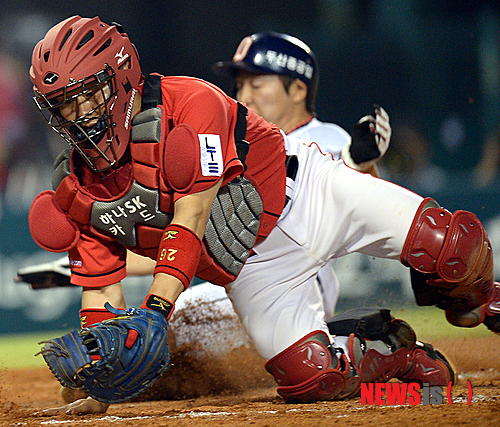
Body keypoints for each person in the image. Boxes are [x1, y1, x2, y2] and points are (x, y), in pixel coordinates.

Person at [28, 16, 499, 415]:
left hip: (311, 193)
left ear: (122, 76)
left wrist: (154, 310)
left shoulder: (192, 102)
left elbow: (192, 217)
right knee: (312, 379)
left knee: (454, 245)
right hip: (253, 268)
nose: (79, 114)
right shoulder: (74, 185)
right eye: (64, 104)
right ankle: (399, 360)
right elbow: (100, 287)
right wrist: (99, 380)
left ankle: (474, 298)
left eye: (88, 93)